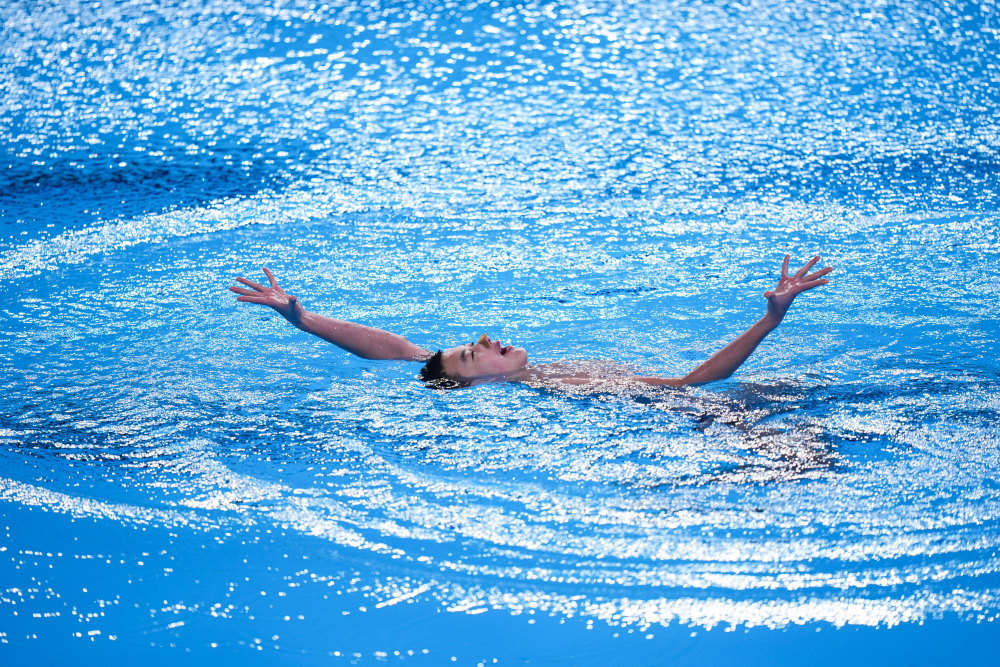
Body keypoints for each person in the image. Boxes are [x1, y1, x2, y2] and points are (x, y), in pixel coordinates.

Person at [229, 255, 832, 389]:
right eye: (473, 355)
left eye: (470, 343)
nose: (485, 340)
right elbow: (688, 387)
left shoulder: (474, 376)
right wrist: (769, 322)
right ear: (478, 387)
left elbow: (396, 349)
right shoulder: (559, 385)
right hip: (703, 418)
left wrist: (301, 317)